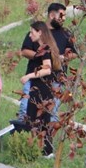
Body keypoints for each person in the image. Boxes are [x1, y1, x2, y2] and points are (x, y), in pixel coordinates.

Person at [17, 2, 76, 119]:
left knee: (51, 113)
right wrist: (42, 56)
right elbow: (24, 51)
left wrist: (64, 57)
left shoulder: (66, 34)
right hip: (34, 78)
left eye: (64, 16)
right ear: (52, 15)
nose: (64, 18)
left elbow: (74, 53)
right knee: (26, 110)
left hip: (56, 80)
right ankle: (22, 134)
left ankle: (46, 135)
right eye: (61, 15)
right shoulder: (37, 31)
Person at [19, 21, 62, 156]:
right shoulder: (44, 48)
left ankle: (44, 150)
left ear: (40, 33)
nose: (30, 35)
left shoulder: (45, 49)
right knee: (37, 118)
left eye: (32, 32)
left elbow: (47, 69)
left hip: (41, 89)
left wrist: (29, 76)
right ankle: (37, 149)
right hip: (39, 87)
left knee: (40, 119)